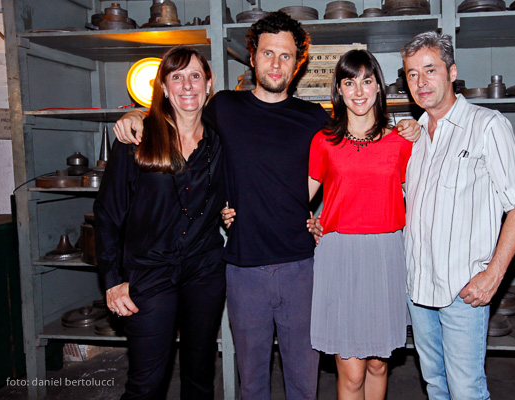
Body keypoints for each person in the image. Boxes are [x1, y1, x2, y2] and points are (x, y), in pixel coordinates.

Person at [114, 12, 419, 399]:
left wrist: (410, 126)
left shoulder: (314, 120)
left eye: (287, 56)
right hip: (244, 269)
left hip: (303, 267)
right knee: (252, 383)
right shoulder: (223, 108)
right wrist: (137, 114)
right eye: (268, 53)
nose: (277, 63)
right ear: (253, 57)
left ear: (299, 63)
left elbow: (351, 165)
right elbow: (179, 114)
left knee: (303, 385)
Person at [401, 31, 515, 399]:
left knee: (466, 391)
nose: (421, 82)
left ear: (452, 72)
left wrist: (494, 274)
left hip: (463, 289)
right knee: (435, 386)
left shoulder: (488, 125)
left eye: (430, 70)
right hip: (419, 287)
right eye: (412, 74)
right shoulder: (416, 137)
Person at [94, 46, 226, 399]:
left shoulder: (219, 140)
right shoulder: (137, 139)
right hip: (149, 273)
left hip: (204, 272)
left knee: (200, 375)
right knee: (147, 382)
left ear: (209, 84)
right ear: (164, 87)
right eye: (177, 77)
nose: (187, 85)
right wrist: (112, 280)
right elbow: (107, 214)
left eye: (195, 76)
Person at [307, 49, 412, 399]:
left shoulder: (401, 142)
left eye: (367, 81)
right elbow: (296, 199)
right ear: (339, 89)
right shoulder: (324, 141)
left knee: (379, 364)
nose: (359, 90)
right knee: (351, 372)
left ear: (379, 87)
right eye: (349, 82)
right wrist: (308, 221)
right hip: (341, 256)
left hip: (386, 255)